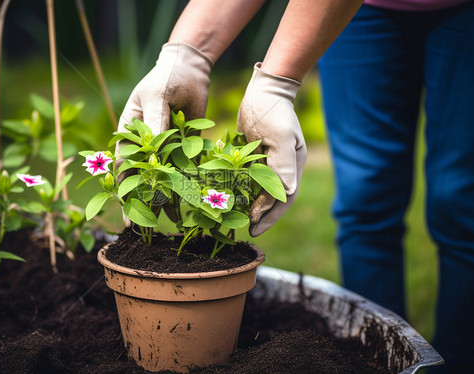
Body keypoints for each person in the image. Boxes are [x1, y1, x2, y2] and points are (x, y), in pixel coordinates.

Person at [117, 0, 474, 372]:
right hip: (366, 10)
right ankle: (379, 361)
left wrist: (277, 82)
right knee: (365, 197)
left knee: (461, 197)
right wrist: (186, 53)